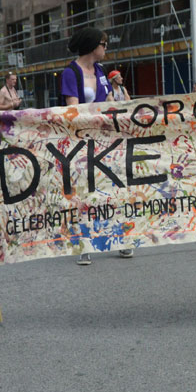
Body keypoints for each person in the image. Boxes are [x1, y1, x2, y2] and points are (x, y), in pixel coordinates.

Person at [60, 28, 130, 263]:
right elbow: (73, 109)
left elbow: (110, 101)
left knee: (113, 188)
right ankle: (84, 243)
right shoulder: (71, 72)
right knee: (86, 192)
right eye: (104, 44)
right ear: (92, 45)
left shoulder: (100, 71)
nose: (106, 48)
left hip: (106, 139)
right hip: (82, 141)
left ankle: (119, 238)